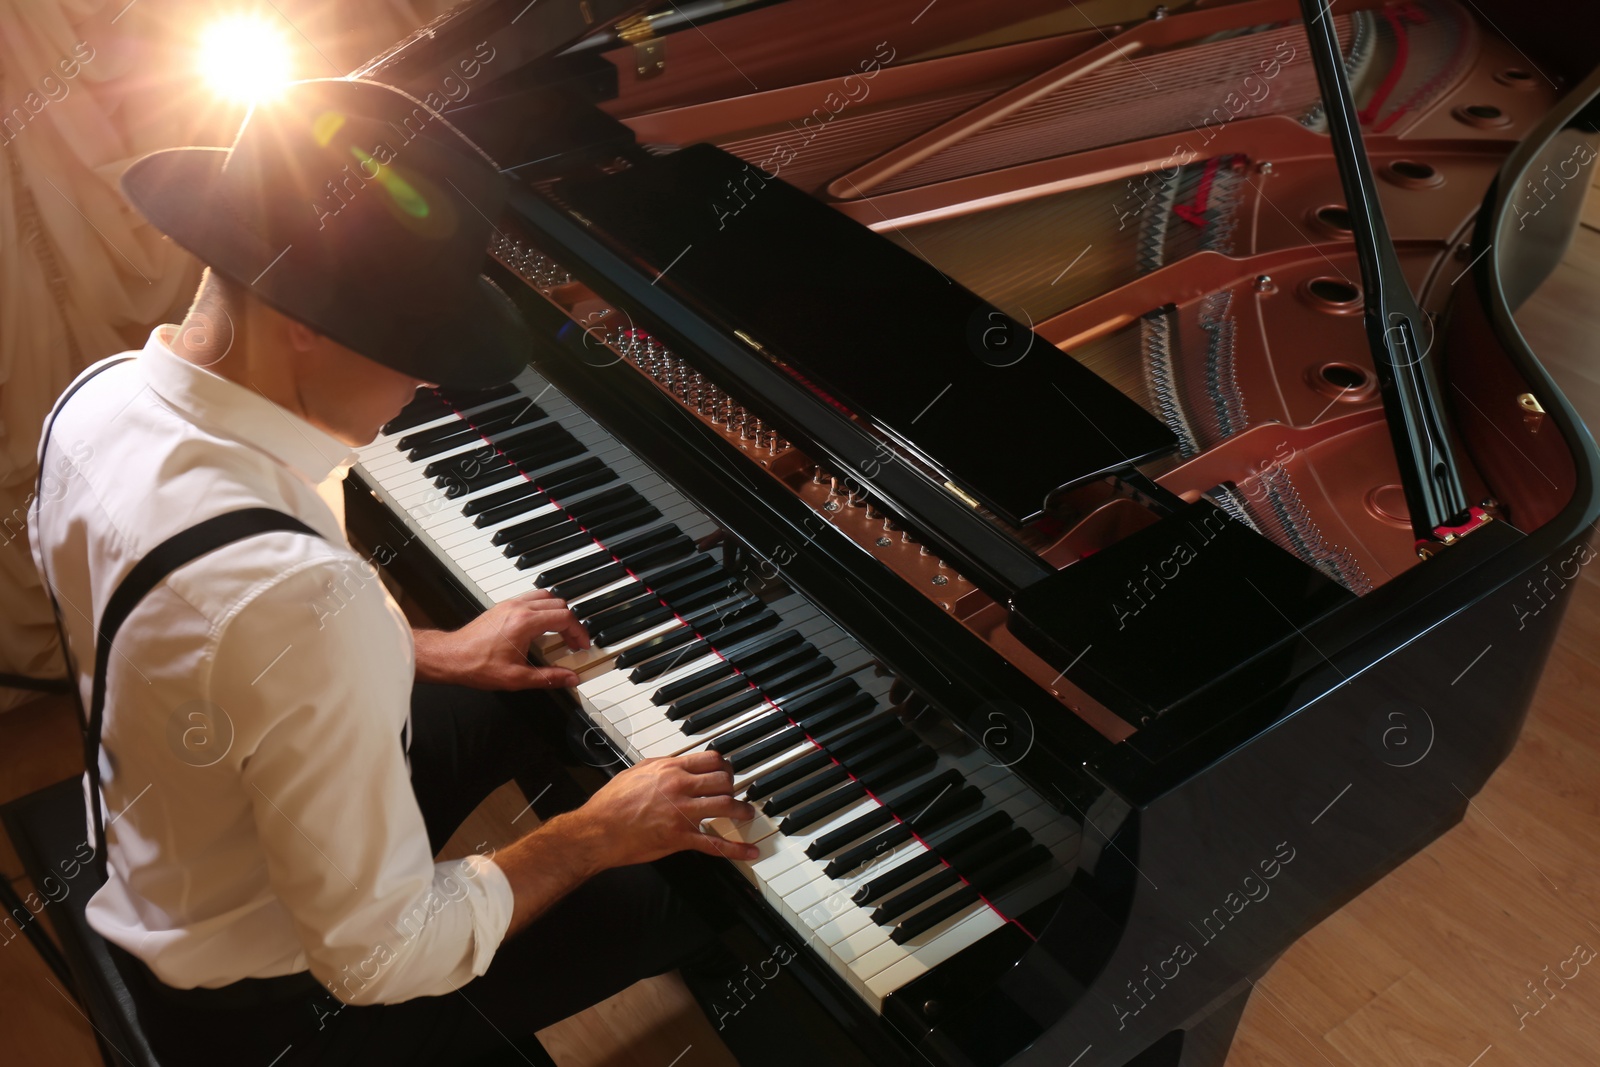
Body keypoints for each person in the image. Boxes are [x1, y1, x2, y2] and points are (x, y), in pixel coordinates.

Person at [28, 77, 759, 1066]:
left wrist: (422, 649)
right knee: (701, 888)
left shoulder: (102, 397)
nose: (422, 384)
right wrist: (590, 835)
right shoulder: (296, 599)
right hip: (278, 994)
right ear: (306, 323)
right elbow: (377, 957)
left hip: (171, 820)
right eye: (416, 351)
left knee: (542, 696)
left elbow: (192, 623)